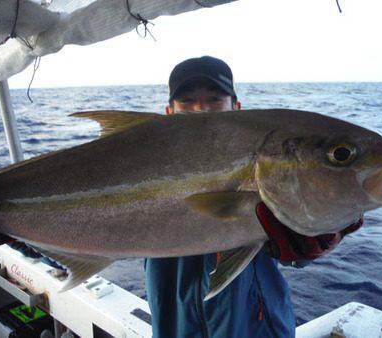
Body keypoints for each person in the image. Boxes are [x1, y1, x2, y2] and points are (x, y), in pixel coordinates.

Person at [144, 56, 363, 338]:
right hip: (173, 327)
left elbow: (290, 246)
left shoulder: (266, 160)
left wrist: (309, 241)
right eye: (187, 101)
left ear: (237, 107)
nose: (201, 109)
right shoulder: (146, 166)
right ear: (169, 112)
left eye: (214, 98)